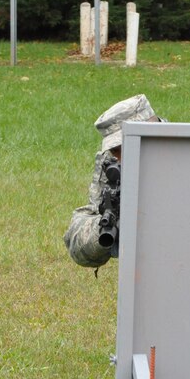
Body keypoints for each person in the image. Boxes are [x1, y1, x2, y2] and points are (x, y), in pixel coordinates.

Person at [64, 94, 162, 270]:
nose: (121, 158)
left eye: (129, 146)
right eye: (116, 150)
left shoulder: (187, 156)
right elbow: (78, 249)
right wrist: (108, 224)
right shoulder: (111, 163)